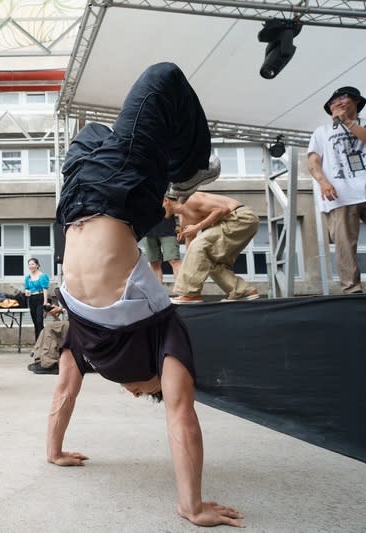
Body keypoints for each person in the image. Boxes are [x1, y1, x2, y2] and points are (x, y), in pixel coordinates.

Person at [48, 62, 242, 527]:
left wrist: (53, 452)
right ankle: (188, 170)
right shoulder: (163, 342)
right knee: (163, 77)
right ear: (155, 383)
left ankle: (176, 167)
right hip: (120, 192)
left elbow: (62, 394)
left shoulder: (89, 346)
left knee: (90, 131)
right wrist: (190, 505)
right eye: (147, 393)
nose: (136, 396)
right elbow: (181, 419)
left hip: (74, 198)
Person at [307, 86, 366, 294]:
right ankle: (352, 291)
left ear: (356, 100)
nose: (337, 103)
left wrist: (347, 122)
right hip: (339, 195)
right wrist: (323, 182)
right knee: (344, 247)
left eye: (342, 98)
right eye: (333, 102)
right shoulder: (321, 132)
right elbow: (313, 161)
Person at [164, 191, 260, 304]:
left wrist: (197, 227)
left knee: (201, 244)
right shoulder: (183, 219)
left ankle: (190, 294)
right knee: (210, 260)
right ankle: (242, 291)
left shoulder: (190, 199)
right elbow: (191, 242)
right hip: (236, 223)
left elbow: (222, 209)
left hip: (240, 217)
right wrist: (191, 260)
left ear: (166, 200)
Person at [27, 302, 66, 375]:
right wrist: (54, 314)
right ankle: (40, 360)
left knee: (50, 327)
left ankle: (49, 363)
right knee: (48, 328)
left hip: (83, 326)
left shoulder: (79, 294)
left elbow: (81, 313)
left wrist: (62, 309)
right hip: (73, 325)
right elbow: (62, 322)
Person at [141, 216, 182, 281]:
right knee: (154, 263)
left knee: (174, 261)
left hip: (169, 229)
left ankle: (181, 290)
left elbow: (178, 209)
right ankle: (157, 291)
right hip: (147, 231)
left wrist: (179, 228)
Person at [24, 257, 50, 342]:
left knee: (39, 321)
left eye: (32, 264)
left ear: (37, 265)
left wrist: (45, 302)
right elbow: (27, 288)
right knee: (35, 322)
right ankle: (37, 343)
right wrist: (27, 292)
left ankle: (42, 342)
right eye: (29, 264)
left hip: (40, 298)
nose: (31, 266)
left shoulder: (42, 276)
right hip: (32, 299)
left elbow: (45, 289)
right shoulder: (27, 277)